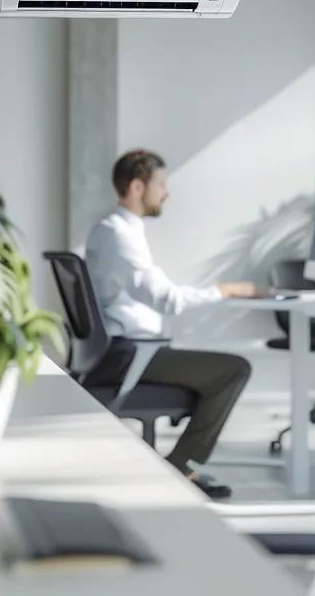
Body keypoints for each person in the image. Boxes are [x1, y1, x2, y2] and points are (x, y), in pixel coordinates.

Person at [84, 149, 257, 499]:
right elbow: (168, 300)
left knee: (214, 369)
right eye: (161, 184)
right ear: (137, 187)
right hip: (129, 355)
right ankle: (182, 468)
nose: (166, 193)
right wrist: (226, 290)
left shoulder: (114, 229)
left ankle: (181, 465)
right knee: (234, 370)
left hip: (126, 350)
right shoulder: (120, 236)